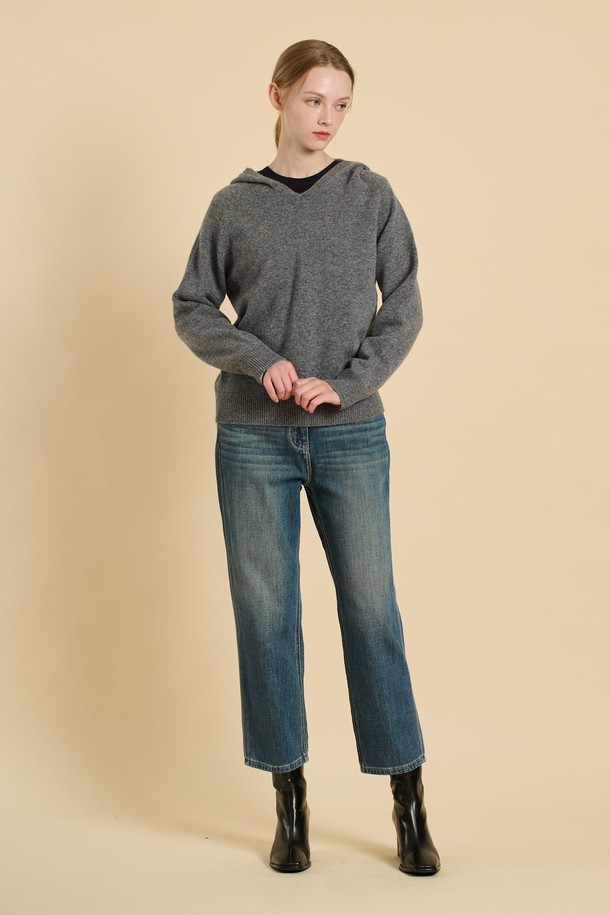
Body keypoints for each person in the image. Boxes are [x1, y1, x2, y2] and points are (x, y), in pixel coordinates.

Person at [172, 38, 441, 876]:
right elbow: (191, 307)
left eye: (341, 104)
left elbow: (405, 305)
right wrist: (259, 359)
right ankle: (289, 801)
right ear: (278, 97)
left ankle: (408, 799)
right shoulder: (234, 205)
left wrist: (349, 382)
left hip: (350, 434)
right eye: (313, 100)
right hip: (253, 437)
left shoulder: (370, 195)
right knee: (267, 617)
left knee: (372, 610)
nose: (327, 118)